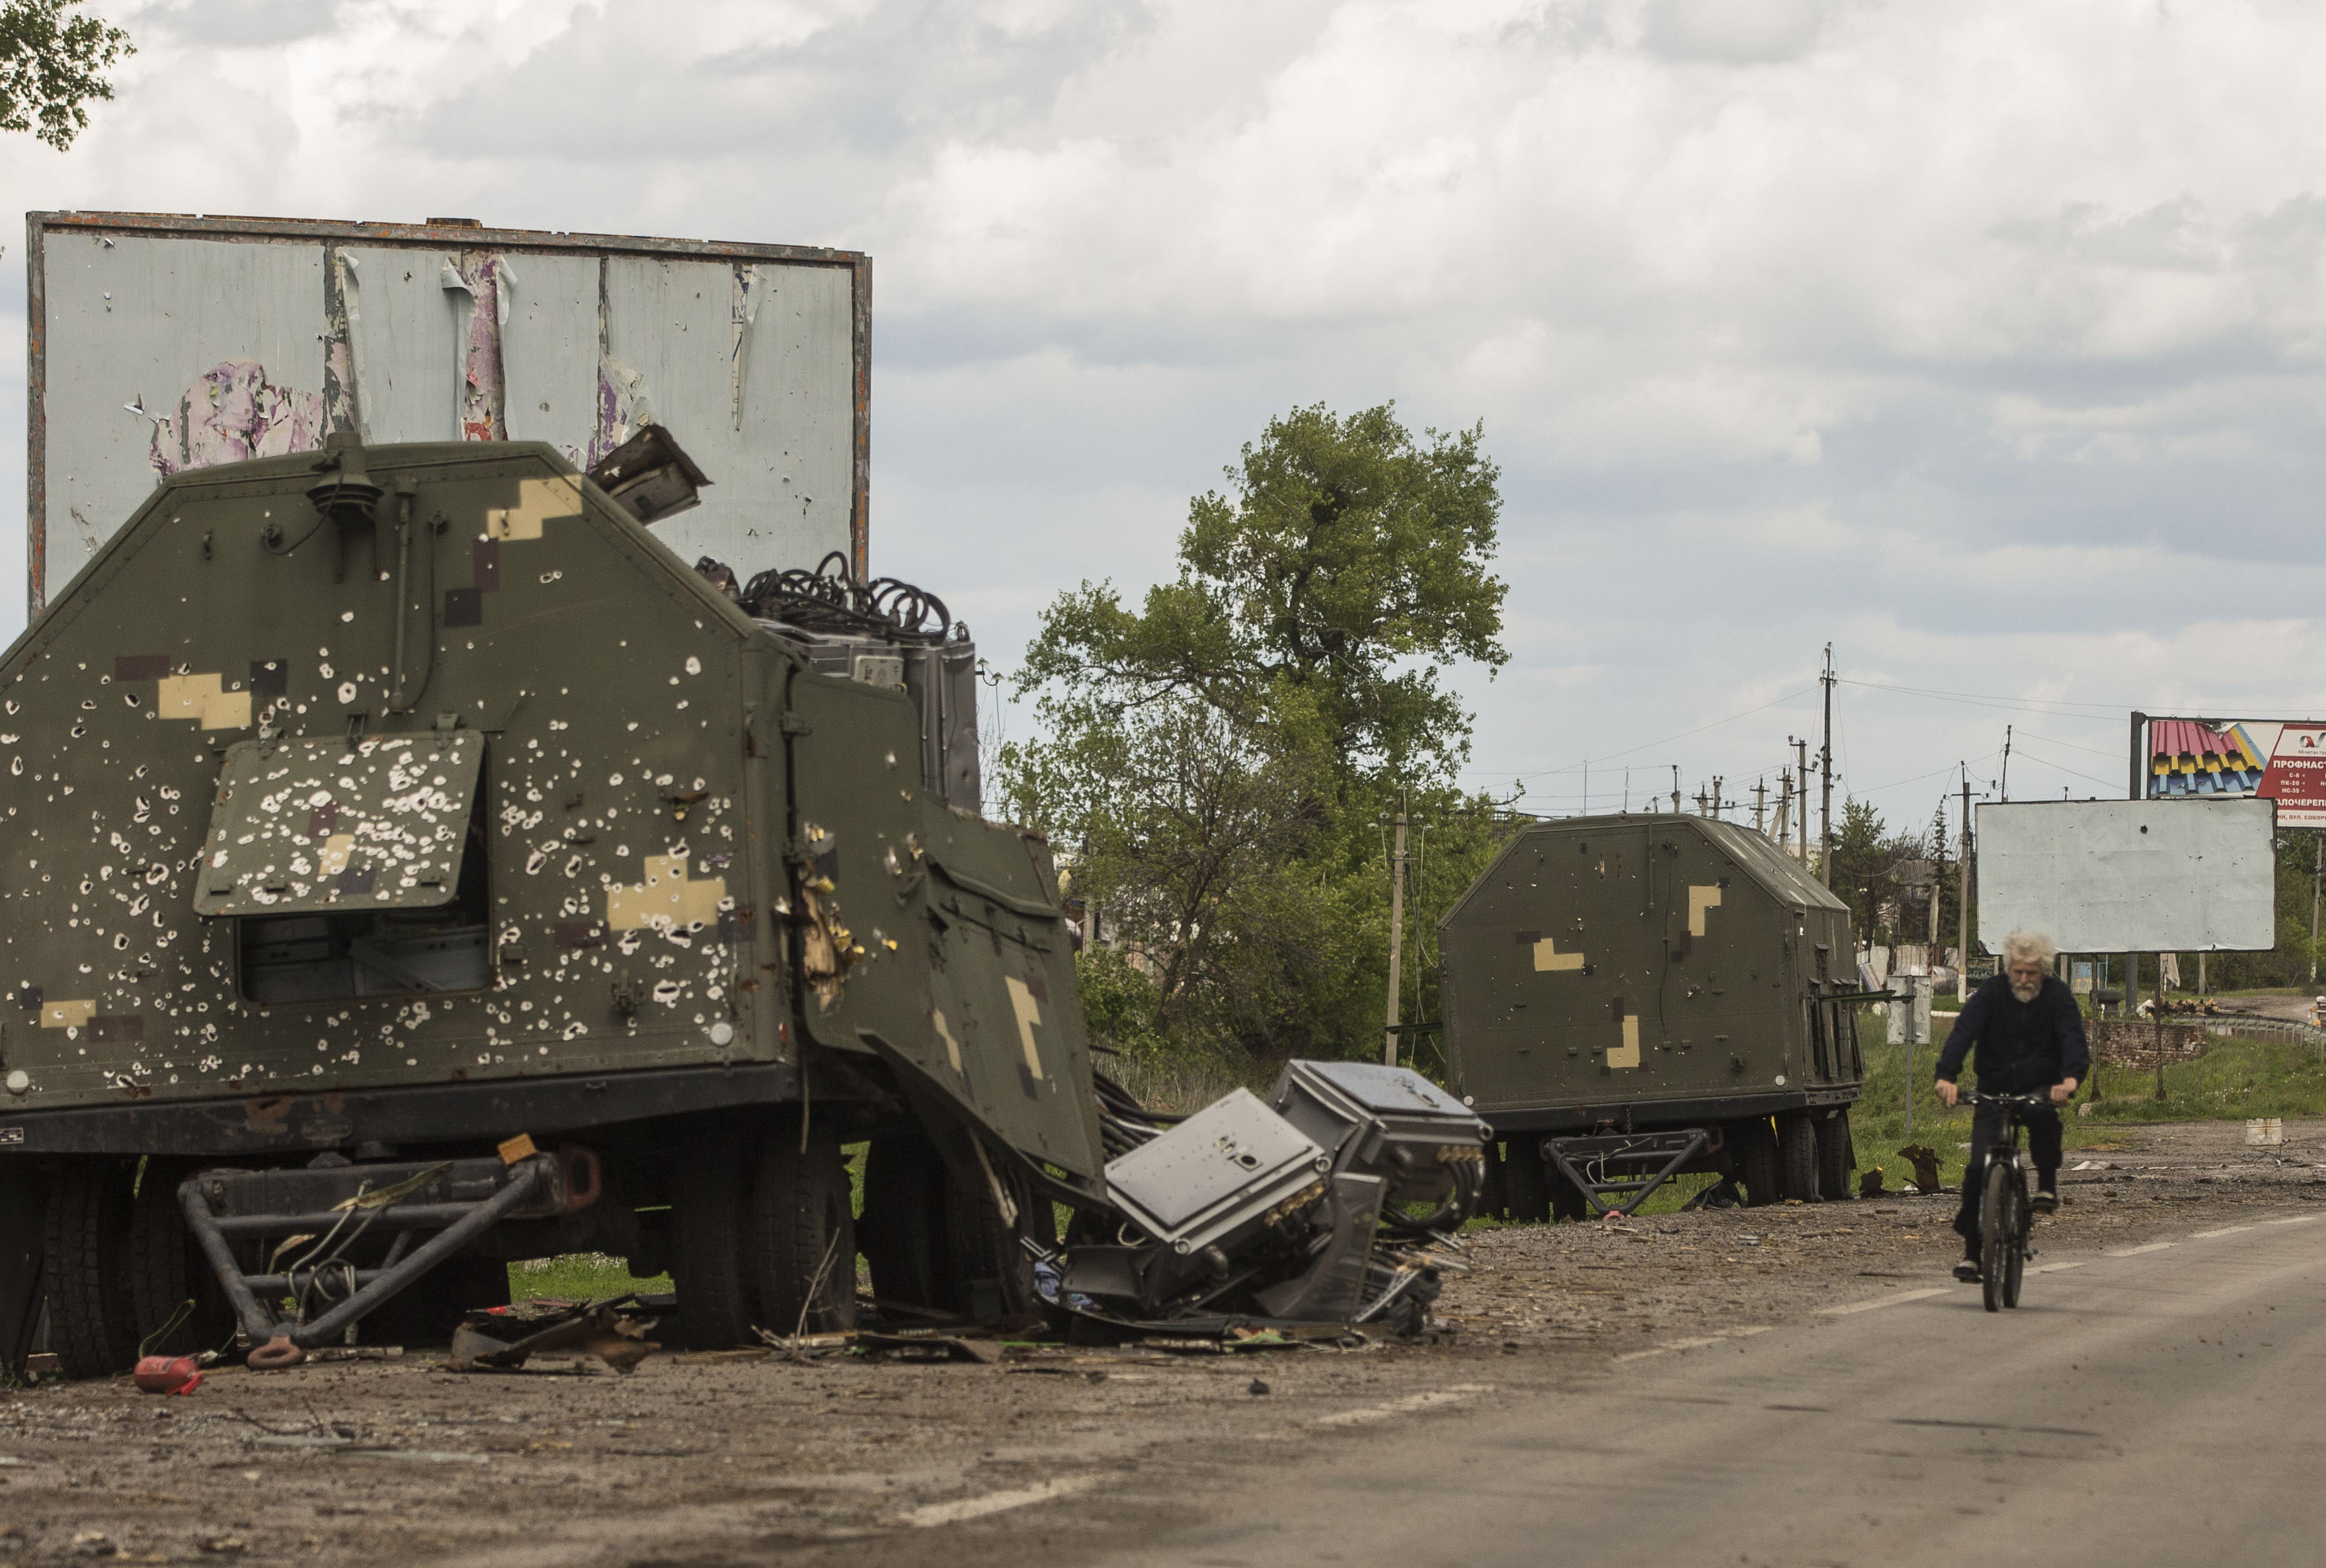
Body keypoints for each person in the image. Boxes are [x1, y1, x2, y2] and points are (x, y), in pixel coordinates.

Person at [1933, 931, 2089, 1283]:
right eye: (2018, 972)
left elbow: (2072, 1038)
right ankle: (1973, 1253)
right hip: (1994, 1087)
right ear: (2008, 970)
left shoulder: (2058, 997)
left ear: (2043, 972)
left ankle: (2046, 1184)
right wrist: (1947, 1076)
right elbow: (1964, 1031)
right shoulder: (1992, 994)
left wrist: (2069, 1080)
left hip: (2039, 1087)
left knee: (2044, 1117)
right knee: (1976, 1169)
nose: (2023, 980)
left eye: (2031, 973)